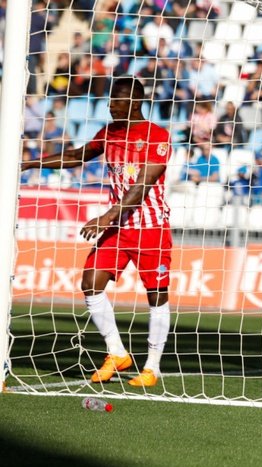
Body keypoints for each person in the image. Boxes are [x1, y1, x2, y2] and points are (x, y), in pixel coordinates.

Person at [21, 78, 173, 388]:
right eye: (109, 102)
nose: (110, 107)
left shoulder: (157, 136)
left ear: (134, 102)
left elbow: (143, 184)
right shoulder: (108, 133)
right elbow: (77, 156)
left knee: (156, 295)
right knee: (90, 283)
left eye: (116, 102)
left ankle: (152, 367)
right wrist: (29, 164)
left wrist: (106, 216)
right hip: (118, 228)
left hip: (151, 228)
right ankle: (117, 353)